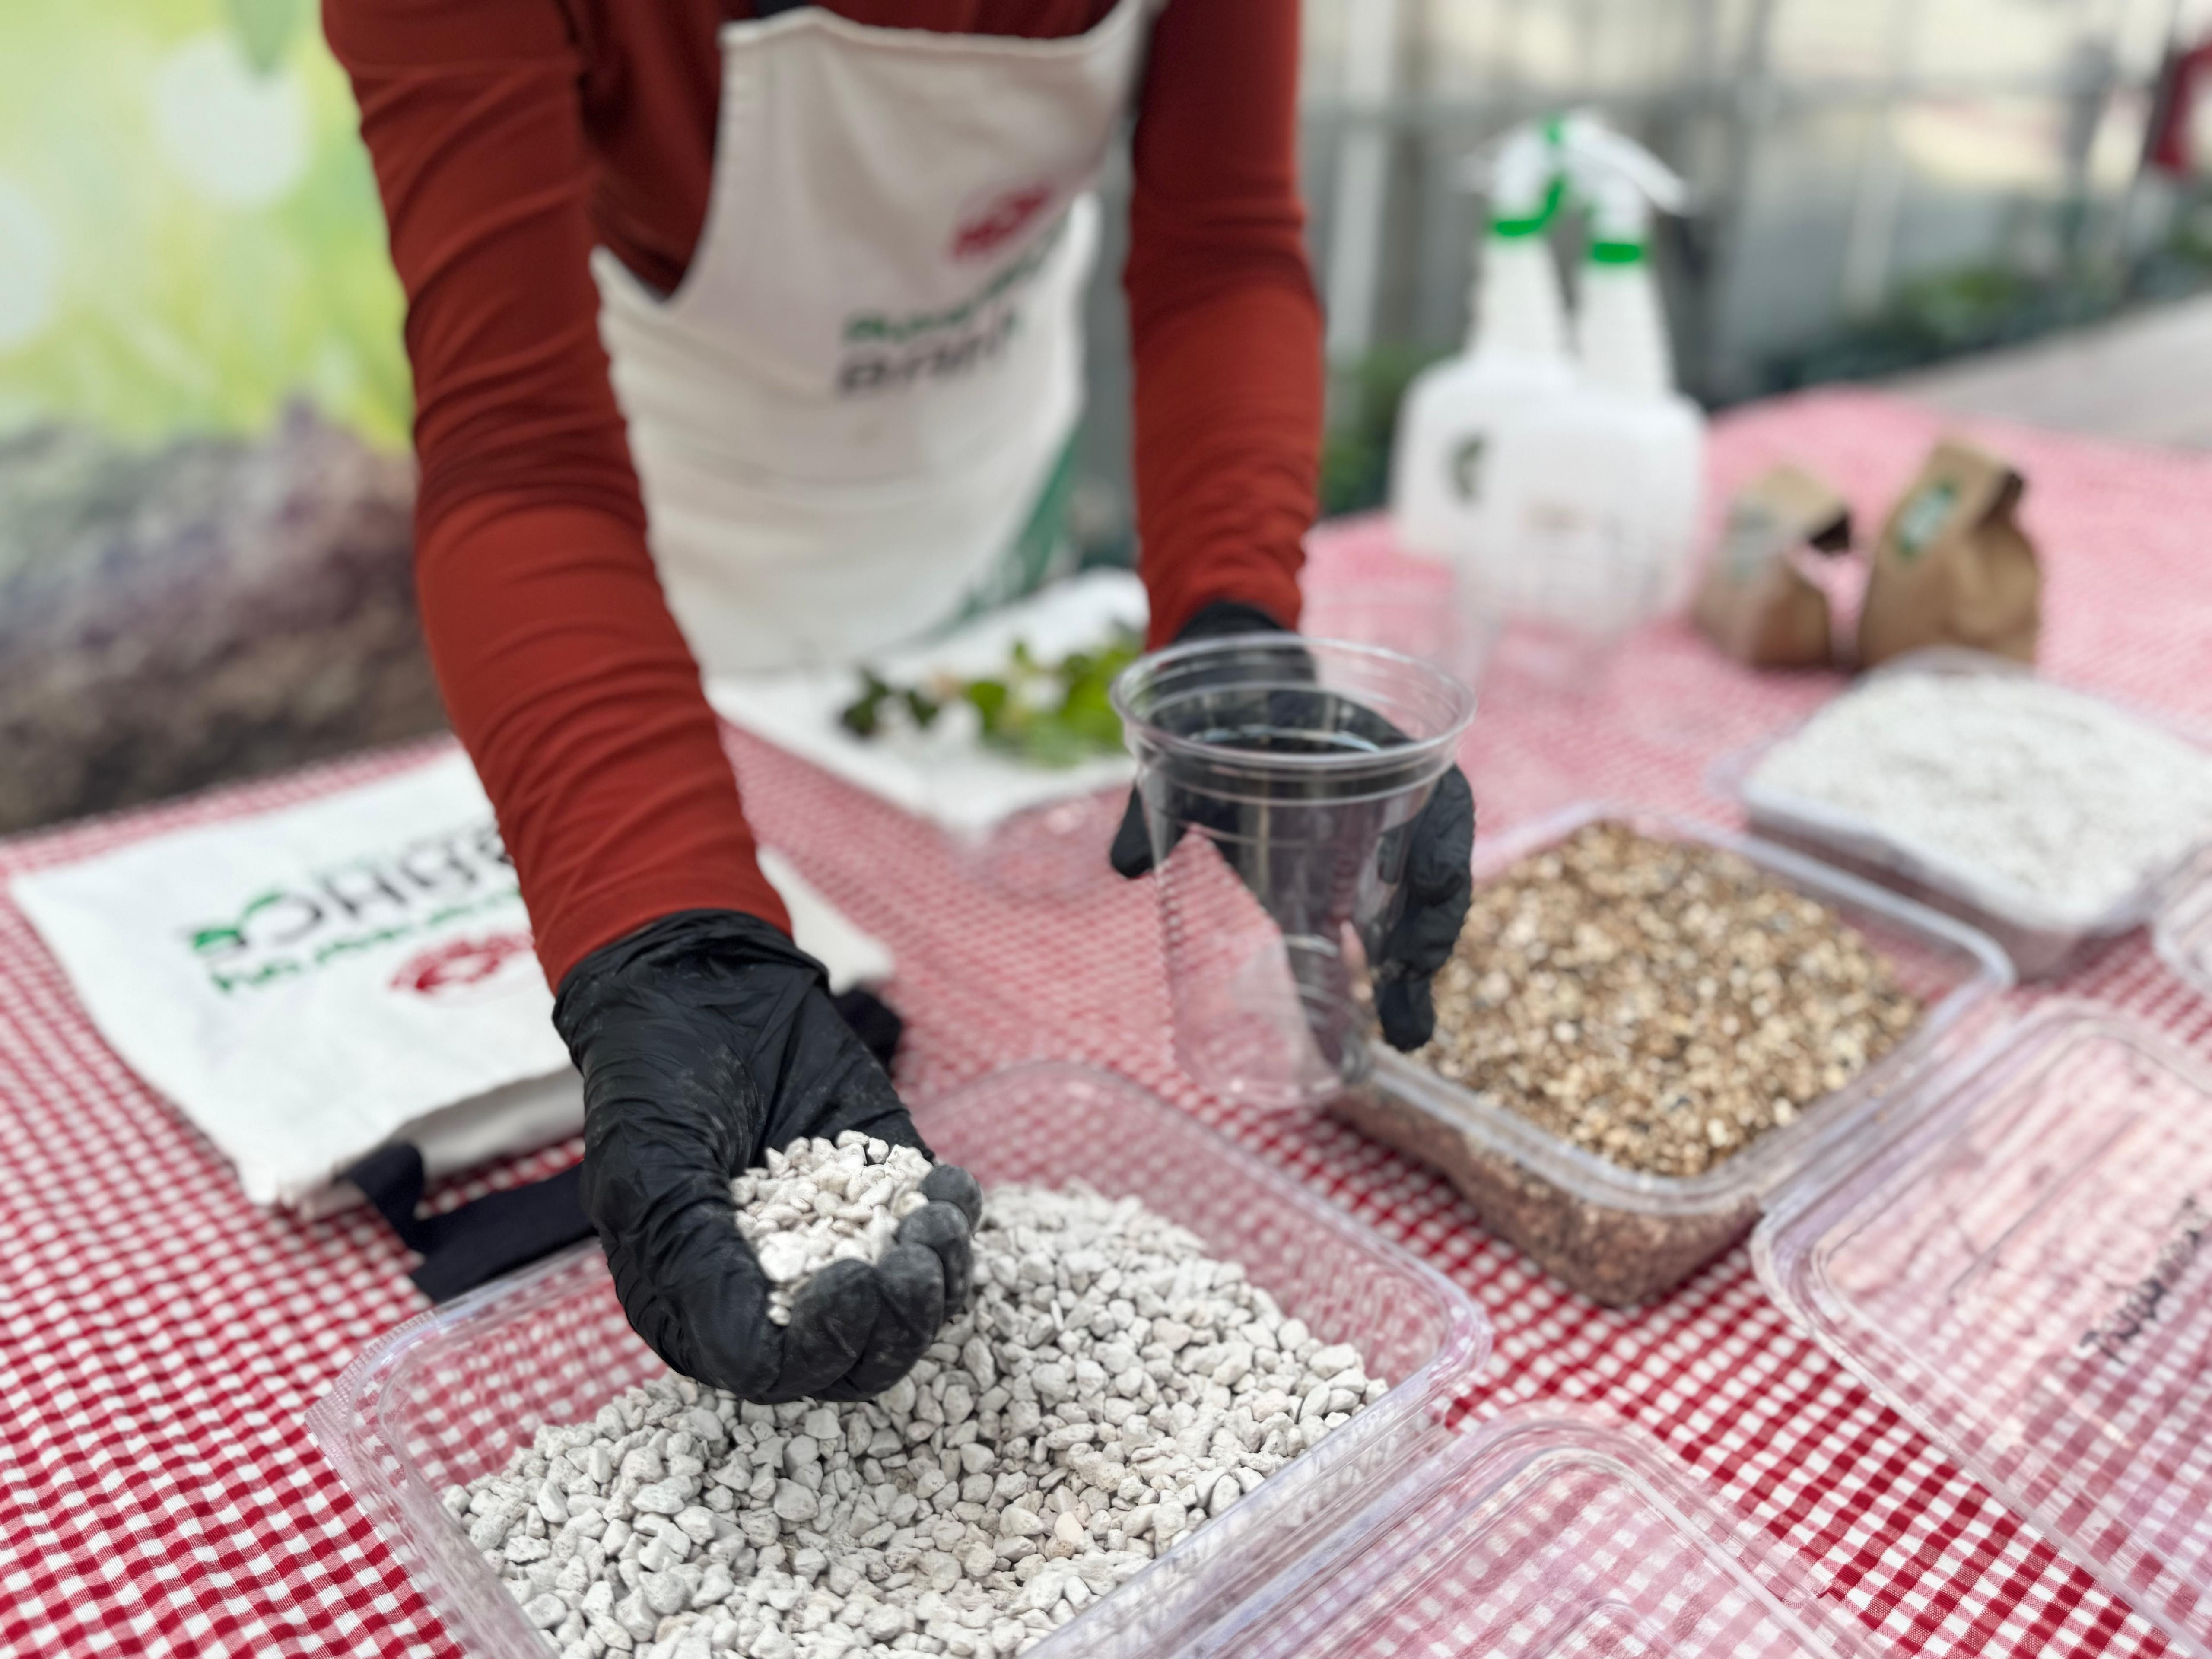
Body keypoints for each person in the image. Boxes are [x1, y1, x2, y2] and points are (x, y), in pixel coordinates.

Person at [325, 0, 1471, 1402]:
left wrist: (1229, 628)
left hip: (982, 489)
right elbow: (518, 452)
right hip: (660, 565)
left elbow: (1221, 250)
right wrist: (670, 935)